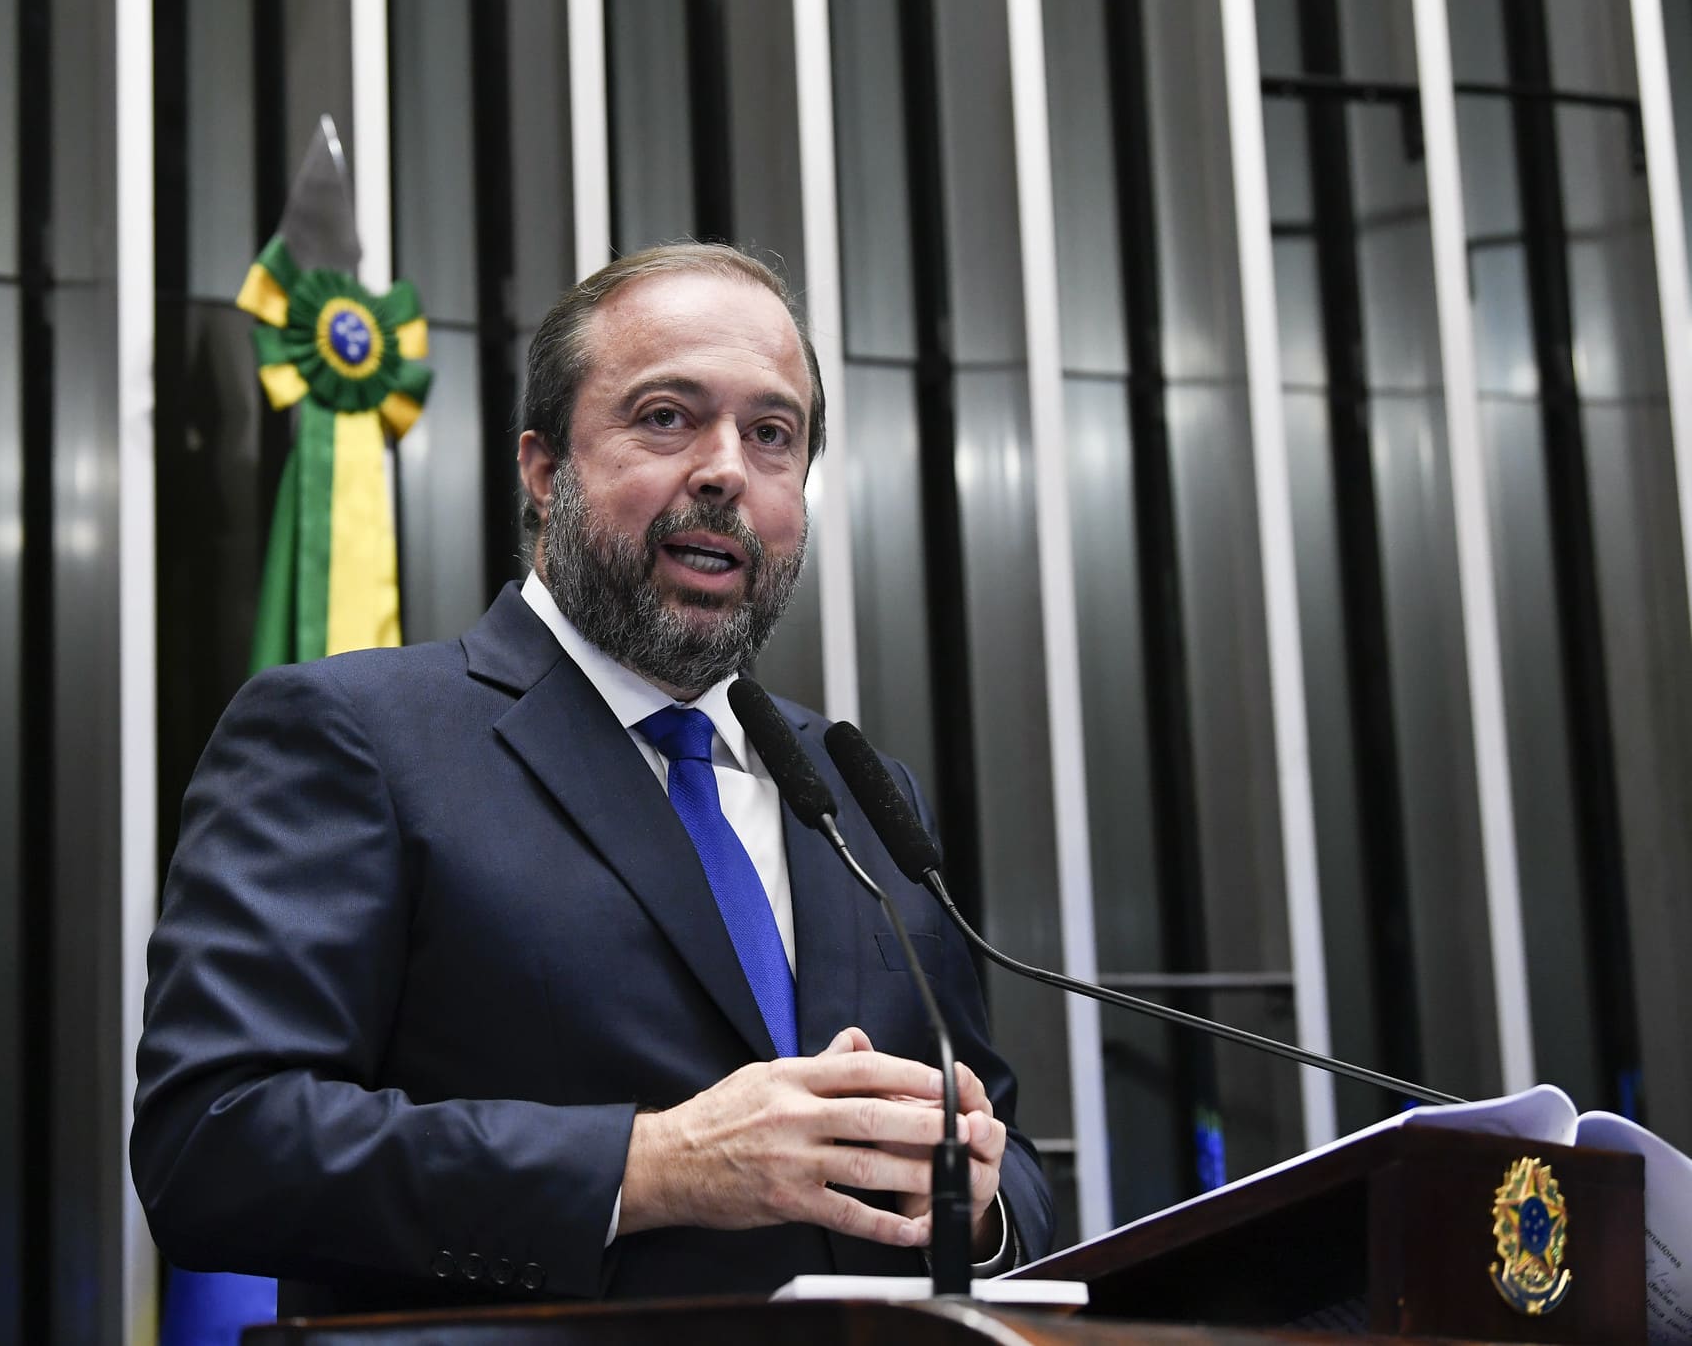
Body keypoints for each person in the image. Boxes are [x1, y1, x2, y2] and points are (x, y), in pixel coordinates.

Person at [132, 242, 1054, 1316]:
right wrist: (650, 1165)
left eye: (771, 435)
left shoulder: (854, 789)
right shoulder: (356, 736)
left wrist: (980, 1207)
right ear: (541, 469)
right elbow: (216, 1147)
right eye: (666, 417)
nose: (724, 470)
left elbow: (1008, 1153)